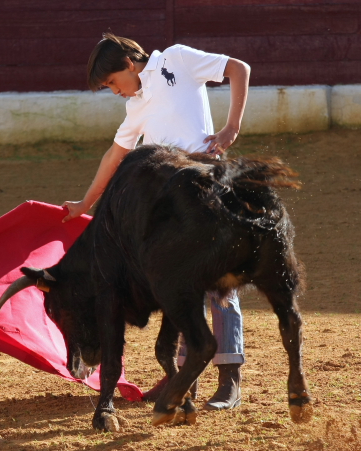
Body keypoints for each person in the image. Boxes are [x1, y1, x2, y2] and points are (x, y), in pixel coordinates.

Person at [61, 33, 250, 411]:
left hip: (207, 187)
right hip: (167, 207)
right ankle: (182, 375)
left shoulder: (178, 59)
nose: (114, 92)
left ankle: (230, 380)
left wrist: (231, 128)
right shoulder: (136, 108)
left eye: (113, 82)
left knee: (218, 285)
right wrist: (85, 203)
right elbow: (114, 156)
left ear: (129, 64)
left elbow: (238, 69)